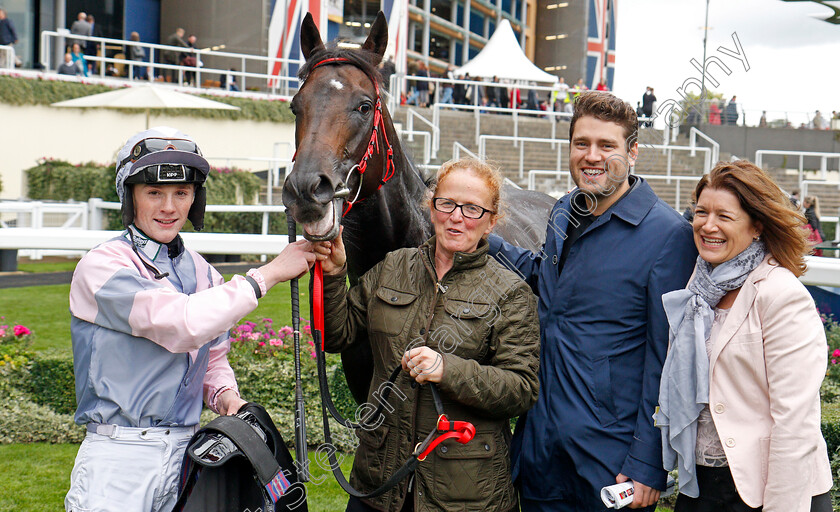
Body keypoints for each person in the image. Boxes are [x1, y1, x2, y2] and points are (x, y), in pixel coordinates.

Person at [65, 126, 324, 512]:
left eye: (181, 193)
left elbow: (212, 357)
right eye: (154, 193)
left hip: (188, 454)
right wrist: (266, 275)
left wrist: (226, 397)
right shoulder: (102, 266)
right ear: (130, 197)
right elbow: (182, 325)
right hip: (118, 457)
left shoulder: (203, 272)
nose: (169, 207)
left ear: (194, 199)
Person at [488, 91, 697, 511]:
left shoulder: (668, 236)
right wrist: (481, 239)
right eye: (582, 143)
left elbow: (668, 359)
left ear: (633, 152)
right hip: (540, 445)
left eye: (607, 145)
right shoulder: (565, 211)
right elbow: (548, 281)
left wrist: (648, 464)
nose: (592, 156)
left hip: (609, 459)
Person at [315, 158, 541, 512]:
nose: (456, 217)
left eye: (472, 209)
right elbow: (335, 335)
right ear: (431, 206)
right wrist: (333, 274)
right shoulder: (393, 267)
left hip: (466, 495)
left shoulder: (511, 292)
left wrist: (447, 370)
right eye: (447, 203)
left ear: (491, 221)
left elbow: (521, 389)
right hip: (379, 484)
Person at [656, 160, 833, 512]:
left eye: (724, 216)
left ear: (756, 226)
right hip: (703, 486)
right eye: (701, 212)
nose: (708, 225)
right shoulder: (699, 284)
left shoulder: (782, 294)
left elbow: (795, 423)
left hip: (770, 490)